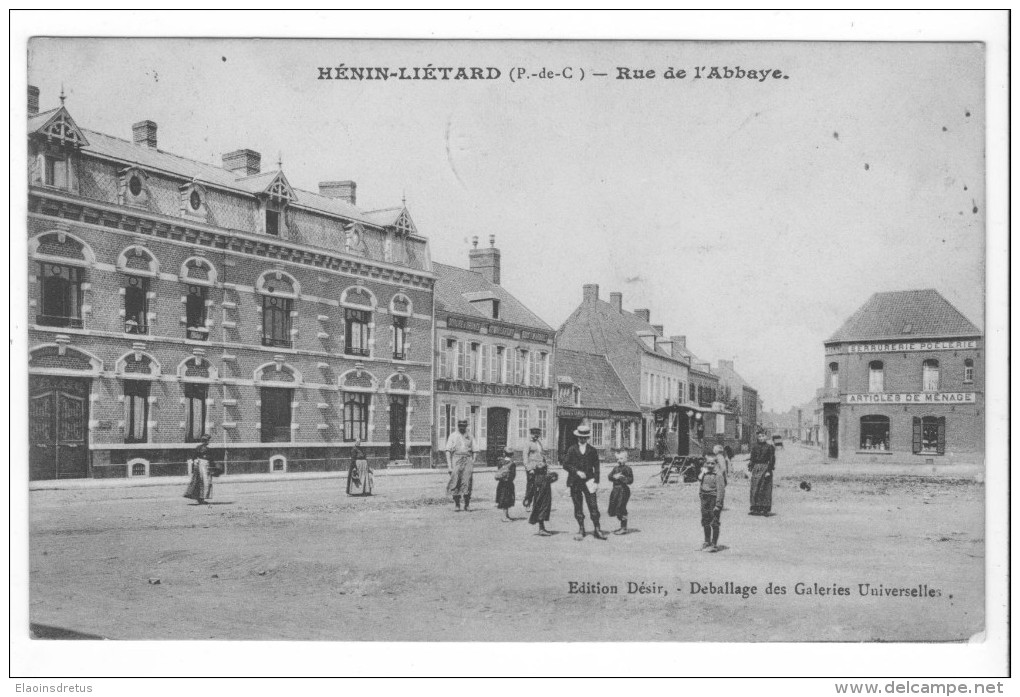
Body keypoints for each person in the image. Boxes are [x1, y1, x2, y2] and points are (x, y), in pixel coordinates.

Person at [562, 424, 608, 541]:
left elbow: (596, 467)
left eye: (585, 437)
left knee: (593, 505)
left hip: (589, 481)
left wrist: (596, 481)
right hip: (575, 482)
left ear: (588, 438)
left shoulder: (592, 450)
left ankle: (597, 529)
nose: (582, 439)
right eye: (580, 437)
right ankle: (581, 529)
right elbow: (565, 464)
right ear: (577, 437)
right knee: (578, 506)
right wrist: (576, 471)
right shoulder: (572, 449)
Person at [698, 448, 727, 552]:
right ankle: (707, 541)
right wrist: (701, 496)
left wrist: (718, 505)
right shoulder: (704, 473)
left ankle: (714, 544)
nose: (710, 465)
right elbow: (701, 485)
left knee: (714, 522)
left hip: (714, 499)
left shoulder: (718, 475)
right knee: (705, 521)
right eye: (708, 463)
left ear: (716, 464)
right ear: (705, 463)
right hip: (705, 499)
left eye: (712, 463)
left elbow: (721, 491)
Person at [445, 419, 476, 512]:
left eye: (464, 425)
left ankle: (467, 504)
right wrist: (449, 466)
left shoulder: (470, 436)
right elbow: (448, 451)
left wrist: (472, 462)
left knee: (467, 482)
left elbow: (475, 450)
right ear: (458, 426)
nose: (462, 427)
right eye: (460, 425)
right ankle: (457, 504)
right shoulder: (453, 436)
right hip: (456, 460)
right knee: (455, 481)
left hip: (467, 460)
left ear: (466, 426)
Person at [748, 429, 777, 516]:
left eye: (763, 436)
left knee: (765, 488)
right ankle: (755, 508)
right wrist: (750, 469)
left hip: (765, 468)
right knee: (755, 488)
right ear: (757, 437)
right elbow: (752, 459)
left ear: (766, 436)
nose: (761, 438)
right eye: (759, 436)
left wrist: (769, 470)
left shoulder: (770, 447)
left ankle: (765, 508)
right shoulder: (754, 447)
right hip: (756, 468)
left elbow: (772, 459)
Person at [607, 448, 634, 535]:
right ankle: (622, 525)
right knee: (614, 507)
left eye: (621, 458)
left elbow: (630, 480)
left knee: (621, 507)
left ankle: (624, 527)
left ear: (626, 459)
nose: (619, 461)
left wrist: (622, 478)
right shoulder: (615, 468)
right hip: (615, 490)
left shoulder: (627, 469)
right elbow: (609, 476)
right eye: (618, 459)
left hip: (623, 490)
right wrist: (614, 477)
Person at [528, 460, 558, 536]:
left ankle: (541, 528)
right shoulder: (546, 478)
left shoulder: (536, 478)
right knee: (543, 511)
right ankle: (541, 529)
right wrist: (551, 472)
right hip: (545, 498)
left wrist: (529, 499)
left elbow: (531, 489)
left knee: (539, 511)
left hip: (537, 498)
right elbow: (555, 477)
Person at [183, 434, 215, 504]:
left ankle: (199, 498)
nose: (208, 442)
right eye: (208, 440)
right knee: (205, 482)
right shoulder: (207, 449)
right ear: (206, 441)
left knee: (199, 481)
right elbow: (210, 459)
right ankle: (201, 498)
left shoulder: (198, 448)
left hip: (199, 466)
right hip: (204, 466)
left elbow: (194, 457)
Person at [522, 427, 545, 510]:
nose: (536, 437)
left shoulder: (539, 443)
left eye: (537, 435)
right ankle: (527, 504)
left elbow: (542, 455)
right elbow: (525, 456)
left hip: (540, 468)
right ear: (531, 434)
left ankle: (536, 505)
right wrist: (529, 468)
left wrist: (545, 464)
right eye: (534, 435)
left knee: (539, 486)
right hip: (532, 468)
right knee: (530, 487)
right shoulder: (528, 443)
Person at [494, 445, 517, 521]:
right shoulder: (512, 463)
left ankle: (506, 515)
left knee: (503, 499)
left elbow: (499, 470)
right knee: (507, 499)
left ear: (504, 453)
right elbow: (513, 475)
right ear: (512, 454)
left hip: (501, 483)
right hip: (508, 484)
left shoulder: (500, 462)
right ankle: (504, 516)